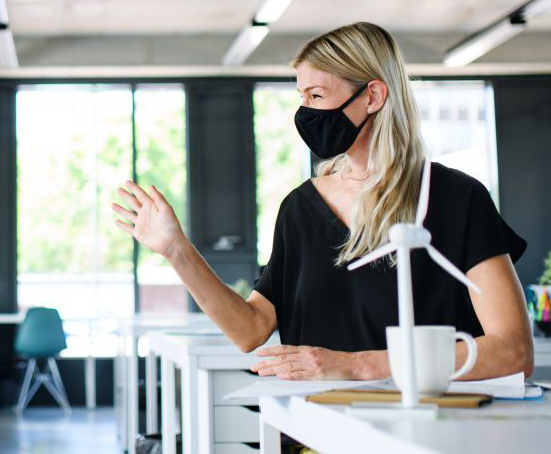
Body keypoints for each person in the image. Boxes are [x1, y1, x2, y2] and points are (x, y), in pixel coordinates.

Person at [113, 22, 533, 381]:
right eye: (301, 97)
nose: (305, 112)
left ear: (373, 96)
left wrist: (358, 366)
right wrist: (176, 250)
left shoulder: (456, 199)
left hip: (430, 431)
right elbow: (250, 329)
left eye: (317, 96)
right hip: (318, 430)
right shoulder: (300, 209)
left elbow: (514, 351)